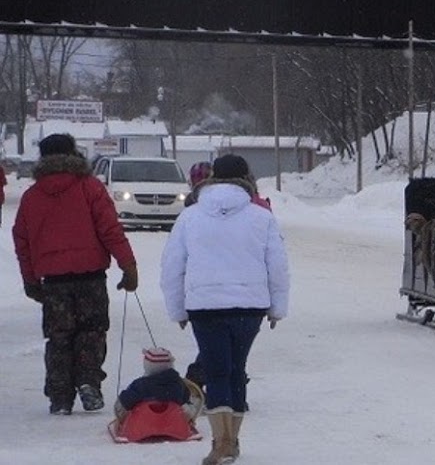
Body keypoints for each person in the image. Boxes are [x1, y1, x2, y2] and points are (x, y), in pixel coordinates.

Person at [160, 153, 289, 465]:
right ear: (246, 179)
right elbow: (278, 266)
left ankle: (222, 443)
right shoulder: (262, 216)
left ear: (212, 178)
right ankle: (233, 441)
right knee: (236, 370)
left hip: (205, 306)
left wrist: (178, 310)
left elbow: (172, 266)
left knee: (217, 370)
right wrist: (277, 308)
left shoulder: (190, 216)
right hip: (250, 306)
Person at [11, 133, 138, 415]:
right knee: (92, 331)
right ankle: (88, 382)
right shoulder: (89, 187)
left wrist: (30, 280)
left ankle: (59, 397)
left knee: (59, 336)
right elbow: (109, 229)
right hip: (90, 275)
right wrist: (128, 265)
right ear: (74, 154)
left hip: (54, 281)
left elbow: (23, 242)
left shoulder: (32, 197)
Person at [113, 347, 200, 425]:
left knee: (123, 406)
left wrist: (120, 411)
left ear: (147, 366)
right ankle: (185, 423)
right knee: (188, 405)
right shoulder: (178, 383)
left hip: (144, 423)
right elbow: (186, 397)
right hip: (172, 422)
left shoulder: (141, 385)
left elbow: (125, 401)